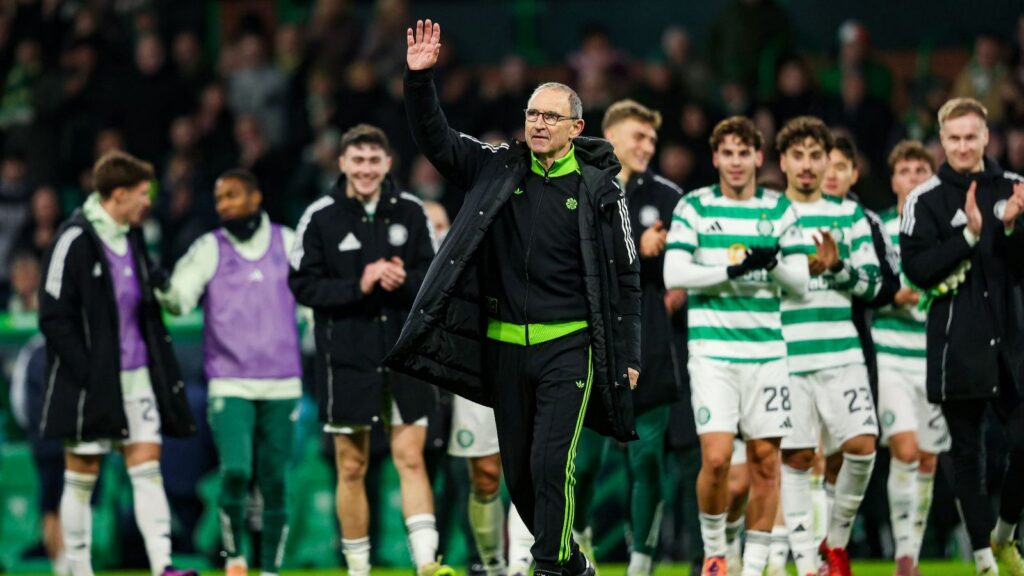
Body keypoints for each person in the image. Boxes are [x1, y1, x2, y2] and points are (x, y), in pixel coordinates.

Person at [387, 20, 641, 576]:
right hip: (504, 346)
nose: (539, 123)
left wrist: (629, 355)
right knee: (520, 475)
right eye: (532, 114)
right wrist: (419, 81)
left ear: (576, 127)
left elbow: (626, 277)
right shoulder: (498, 166)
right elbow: (437, 140)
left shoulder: (600, 189)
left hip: (569, 346)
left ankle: (547, 567)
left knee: (551, 462)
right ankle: (571, 564)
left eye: (551, 116)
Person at [288, 123, 446, 576]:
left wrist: (405, 280)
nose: (365, 169)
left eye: (374, 160)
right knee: (352, 465)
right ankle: (358, 569)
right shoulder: (320, 217)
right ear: (342, 163)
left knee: (411, 458)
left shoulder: (412, 212)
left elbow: (437, 278)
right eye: (357, 160)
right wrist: (357, 285)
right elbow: (301, 284)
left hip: (403, 355)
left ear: (387, 163)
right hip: (347, 359)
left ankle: (425, 563)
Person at [37, 150, 196, 576]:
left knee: (147, 471)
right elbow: (53, 316)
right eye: (143, 193)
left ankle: (163, 565)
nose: (149, 201)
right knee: (82, 478)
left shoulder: (134, 238)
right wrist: (88, 372)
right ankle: (78, 567)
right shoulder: (73, 239)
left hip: (137, 378)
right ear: (119, 194)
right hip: (90, 383)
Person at [663, 116, 810, 576]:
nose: (736, 161)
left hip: (767, 354)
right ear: (715, 158)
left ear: (758, 157)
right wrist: (734, 269)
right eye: (727, 153)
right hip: (713, 355)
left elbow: (801, 282)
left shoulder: (780, 209)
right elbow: (674, 273)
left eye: (744, 153)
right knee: (717, 458)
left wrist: (773, 265)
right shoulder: (694, 206)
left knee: (766, 463)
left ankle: (753, 567)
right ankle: (714, 552)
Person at [156, 168, 301, 576]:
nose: (224, 205)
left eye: (232, 195)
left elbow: (311, 300)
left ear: (256, 198)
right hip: (230, 381)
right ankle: (235, 558)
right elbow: (181, 300)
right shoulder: (209, 248)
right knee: (236, 471)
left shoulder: (289, 243)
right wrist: (164, 287)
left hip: (282, 381)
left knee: (274, 479)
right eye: (220, 198)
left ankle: (270, 568)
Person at [901, 97, 1024, 576]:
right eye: (954, 138)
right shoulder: (924, 200)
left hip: (1012, 345)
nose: (963, 146)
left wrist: (1010, 228)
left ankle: (1005, 534)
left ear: (986, 137)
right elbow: (917, 270)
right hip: (958, 347)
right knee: (968, 455)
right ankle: (984, 562)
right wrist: (968, 238)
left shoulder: (1015, 188)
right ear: (942, 140)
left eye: (971, 137)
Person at [570, 99, 683, 576]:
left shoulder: (670, 197)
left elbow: (685, 268)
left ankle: (641, 561)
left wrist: (670, 269)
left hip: (650, 340)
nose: (648, 146)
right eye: (639, 136)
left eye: (652, 139)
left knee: (648, 459)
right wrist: (639, 245)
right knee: (586, 461)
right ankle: (580, 536)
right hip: (592, 342)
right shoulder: (579, 186)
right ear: (611, 135)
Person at [775, 116, 881, 576]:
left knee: (862, 447)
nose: (807, 164)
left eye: (815, 156)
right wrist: (798, 273)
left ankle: (834, 543)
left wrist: (836, 268)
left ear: (826, 162)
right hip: (787, 355)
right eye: (797, 155)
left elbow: (873, 284)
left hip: (842, 354)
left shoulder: (850, 216)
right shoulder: (769, 214)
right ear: (782, 162)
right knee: (799, 457)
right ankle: (807, 563)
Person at [870, 140, 951, 575]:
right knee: (904, 449)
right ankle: (903, 556)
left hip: (934, 356)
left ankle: (912, 554)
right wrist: (892, 296)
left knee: (928, 458)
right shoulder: (878, 228)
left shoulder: (946, 229)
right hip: (890, 354)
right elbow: (864, 288)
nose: (914, 178)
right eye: (906, 171)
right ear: (893, 180)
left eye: (922, 171)